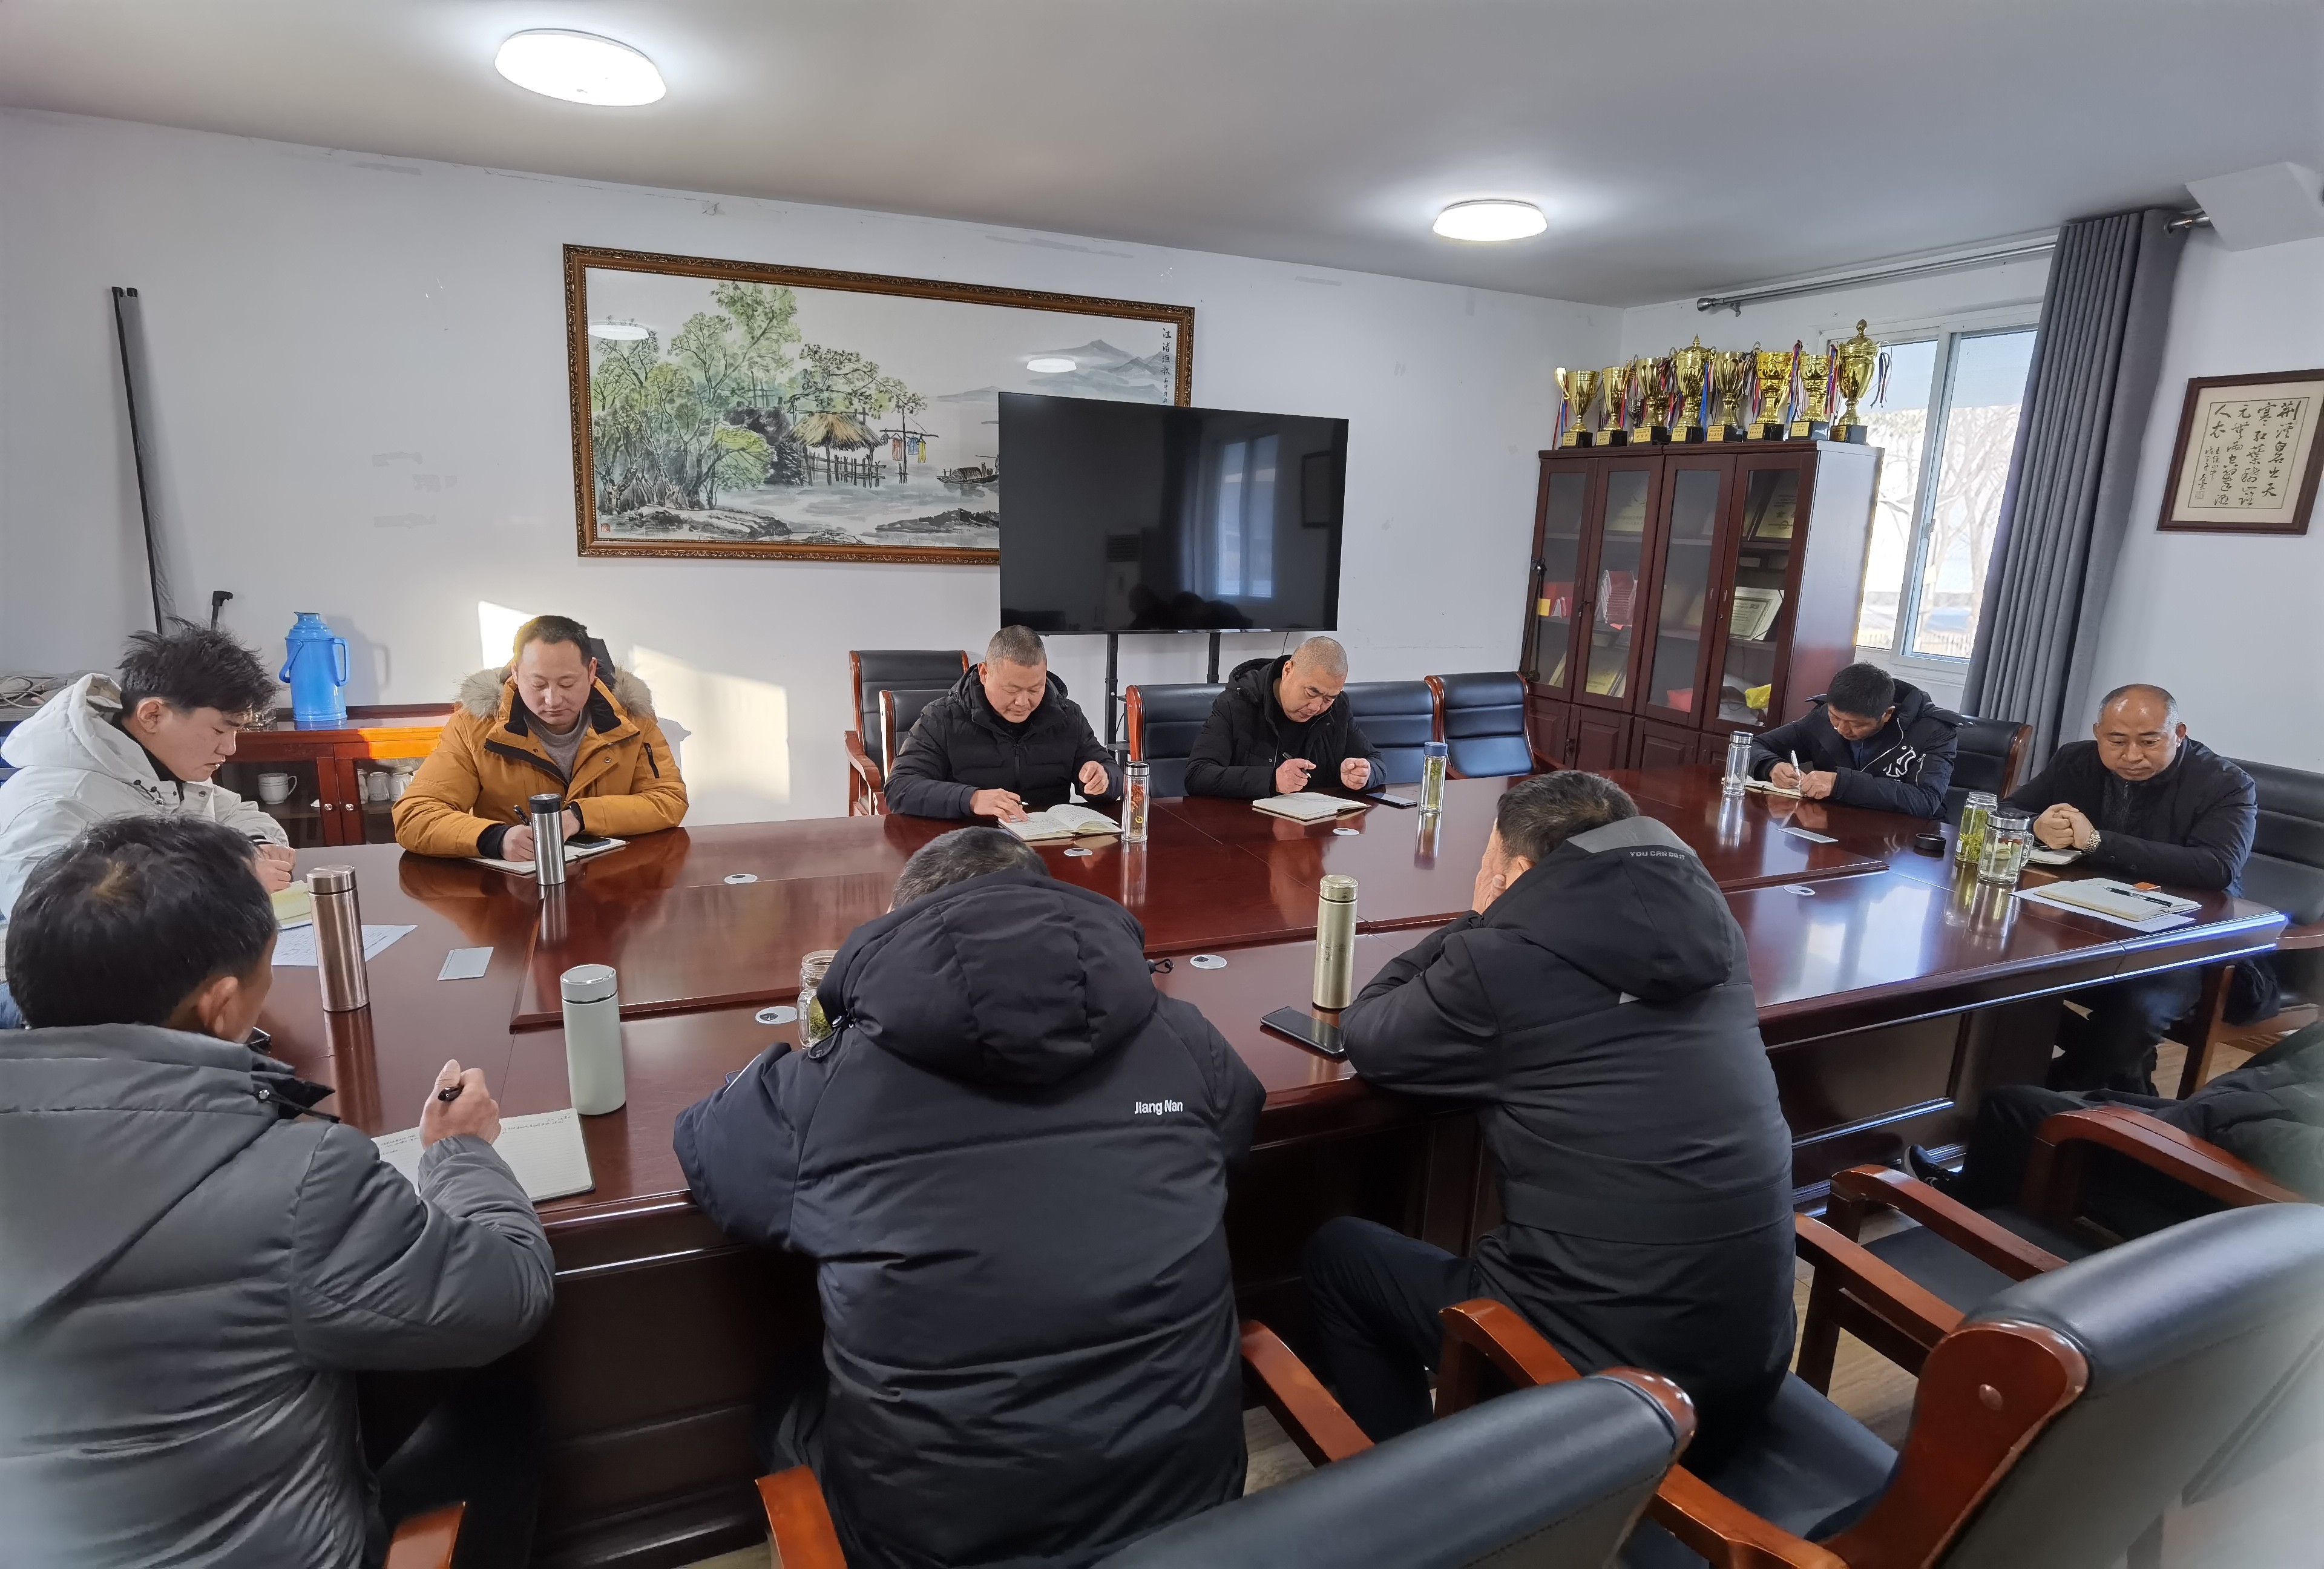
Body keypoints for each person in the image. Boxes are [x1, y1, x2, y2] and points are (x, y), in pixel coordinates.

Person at [674, 827, 1262, 1568]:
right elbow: (1235, 1130)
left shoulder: (826, 1090)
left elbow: (707, 1147)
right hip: (1193, 1517)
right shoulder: (1185, 1039)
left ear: (903, 928)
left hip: (941, 1548)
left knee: (787, 1396)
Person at [0, 816, 556, 1567]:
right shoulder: (296, 1181)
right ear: (223, 1006)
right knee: (501, 1409)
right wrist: (459, 1153)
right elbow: (508, 1292)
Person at [1303, 771, 1795, 1465]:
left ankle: (1421, 1493)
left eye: (1488, 867)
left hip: (1609, 1392)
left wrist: (1480, 919)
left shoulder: (1504, 962)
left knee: (1340, 1254)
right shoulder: (1717, 937)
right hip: (1750, 1360)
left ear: (1521, 876)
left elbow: (1370, 1031)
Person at [0, 623, 292, 1030]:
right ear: (153, 714)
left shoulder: (158, 766)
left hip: (162, 973)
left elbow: (236, 812)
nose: (229, 748)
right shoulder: (56, 803)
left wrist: (256, 846)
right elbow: (66, 941)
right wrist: (235, 881)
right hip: (67, 1006)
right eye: (220, 729)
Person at [2004, 684, 2258, 1093]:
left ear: (2179, 734)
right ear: (2098, 734)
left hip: (2183, 938)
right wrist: (2036, 825)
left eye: (2150, 741)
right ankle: (2128, 1087)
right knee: (2006, 976)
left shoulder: (2225, 783)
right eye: (2117, 741)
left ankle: (2047, 1093)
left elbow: (2218, 867)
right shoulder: (2075, 760)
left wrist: (2096, 842)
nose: (2132, 755)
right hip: (2086, 920)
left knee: (2137, 1011)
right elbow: (2007, 810)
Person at [1910, 1019, 2324, 1234]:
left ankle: (1969, 1223)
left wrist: (2221, 1118)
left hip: (2204, 1167)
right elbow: (2264, 1073)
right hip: (2213, 1116)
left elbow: (2297, 1154)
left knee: (2011, 1106)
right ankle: (1989, 1202)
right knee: (2092, 1092)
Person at [393, 615, 687, 860]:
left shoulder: (632, 721)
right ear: (516, 673)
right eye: (538, 684)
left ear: (591, 672)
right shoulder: (474, 727)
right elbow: (414, 816)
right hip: (511, 891)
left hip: (611, 884)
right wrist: (495, 838)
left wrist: (580, 817)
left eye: (567, 683)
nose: (553, 699)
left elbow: (668, 800)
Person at [882, 625, 1119, 821]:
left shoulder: (1067, 716)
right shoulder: (942, 718)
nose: (1023, 702)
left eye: (1035, 689)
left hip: (1049, 842)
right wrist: (971, 799)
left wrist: (1104, 780)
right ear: (984, 674)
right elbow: (900, 788)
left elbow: (1113, 774)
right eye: (1012, 690)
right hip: (970, 843)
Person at [1747, 660, 1958, 818]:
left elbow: (1926, 801)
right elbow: (1753, 745)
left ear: (1887, 714)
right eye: (1835, 717)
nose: (1841, 729)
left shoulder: (1934, 730)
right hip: (1832, 826)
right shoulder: (1821, 717)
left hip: (1901, 843)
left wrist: (1840, 784)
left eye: (1856, 725)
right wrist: (1771, 766)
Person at [1185, 636, 1386, 798]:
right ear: (1288, 671)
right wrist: (1272, 780)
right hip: (1250, 827)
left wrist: (1364, 774)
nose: (1316, 707)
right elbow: (1197, 775)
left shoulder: (1338, 707)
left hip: (1319, 828)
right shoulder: (1235, 703)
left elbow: (1375, 761)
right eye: (1311, 693)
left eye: (1328, 698)